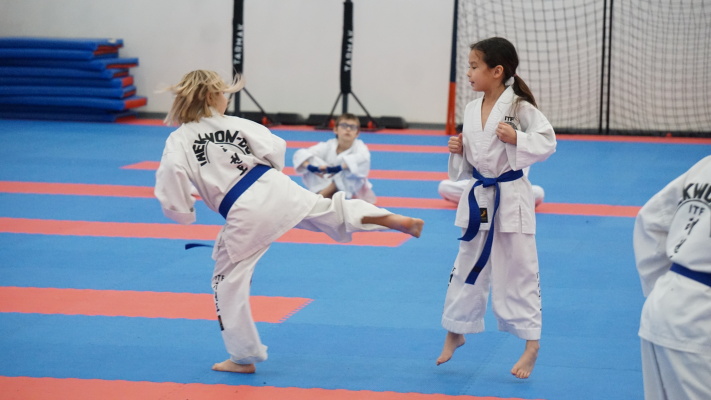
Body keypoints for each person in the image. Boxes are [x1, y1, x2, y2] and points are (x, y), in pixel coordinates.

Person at [154, 70, 424, 374]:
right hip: (275, 186)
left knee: (226, 283)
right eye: (224, 94)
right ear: (210, 97)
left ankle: (243, 357)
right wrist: (270, 171)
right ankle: (391, 218)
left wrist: (182, 210)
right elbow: (274, 146)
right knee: (329, 211)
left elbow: (170, 177)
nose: (227, 99)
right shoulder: (236, 124)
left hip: (244, 209)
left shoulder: (178, 140)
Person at [435, 37, 556, 379]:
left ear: (497, 70)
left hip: (512, 197)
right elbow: (472, 162)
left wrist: (518, 138)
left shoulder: (519, 107)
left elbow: (548, 142)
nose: (469, 73)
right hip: (480, 197)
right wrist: (459, 149)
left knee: (519, 268)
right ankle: (456, 328)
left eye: (474, 66)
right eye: (469, 66)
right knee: (466, 263)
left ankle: (531, 343)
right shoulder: (472, 109)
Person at [633, 156, 711, 400]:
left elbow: (651, 220)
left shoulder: (705, 166)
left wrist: (663, 291)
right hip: (700, 320)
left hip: (665, 305)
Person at [293, 113, 376, 203]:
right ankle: (323, 197)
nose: (348, 129)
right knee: (311, 159)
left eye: (352, 127)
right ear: (335, 129)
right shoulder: (329, 145)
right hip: (326, 181)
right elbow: (300, 154)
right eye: (344, 126)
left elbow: (362, 160)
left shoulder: (360, 147)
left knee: (346, 171)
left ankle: (317, 200)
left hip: (351, 188)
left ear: (357, 133)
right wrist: (314, 168)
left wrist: (335, 169)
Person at [438, 168, 545, 206]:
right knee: (444, 186)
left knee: (538, 193)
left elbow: (520, 182)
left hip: (509, 192)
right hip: (481, 187)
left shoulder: (520, 145)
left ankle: (476, 201)